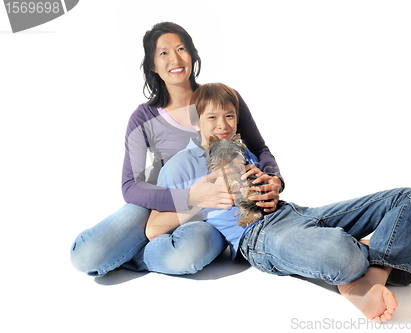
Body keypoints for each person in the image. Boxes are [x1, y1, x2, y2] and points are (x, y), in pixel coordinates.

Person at [146, 83, 411, 322]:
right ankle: (364, 259)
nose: (224, 125)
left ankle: (373, 272)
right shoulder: (179, 165)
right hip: (256, 236)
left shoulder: (237, 148)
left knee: (408, 199)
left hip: (292, 212)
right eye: (212, 118)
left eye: (230, 116)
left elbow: (266, 183)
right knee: (344, 256)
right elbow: (153, 228)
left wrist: (270, 186)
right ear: (196, 121)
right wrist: (198, 200)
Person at [70, 22, 283, 277]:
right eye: (164, 53)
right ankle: (141, 247)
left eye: (181, 49)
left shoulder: (221, 99)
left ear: (192, 54)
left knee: (186, 254)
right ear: (152, 65)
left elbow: (260, 149)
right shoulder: (142, 118)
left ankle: (138, 255)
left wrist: (275, 180)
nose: (175, 58)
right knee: (87, 255)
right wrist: (189, 198)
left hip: (215, 209)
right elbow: (130, 186)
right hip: (160, 203)